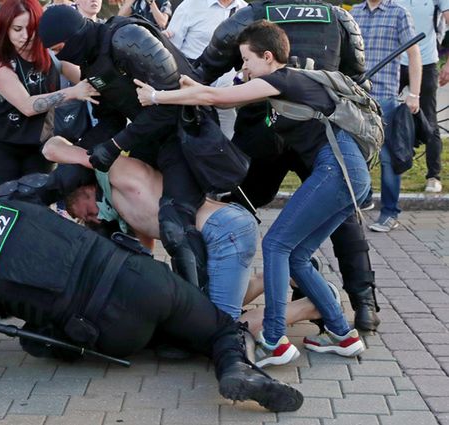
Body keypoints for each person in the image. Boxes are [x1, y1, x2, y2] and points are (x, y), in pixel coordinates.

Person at [0, 179, 305, 413]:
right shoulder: (5, 202)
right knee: (219, 329)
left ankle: (183, 344)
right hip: (138, 278)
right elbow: (54, 182)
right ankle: (237, 368)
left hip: (107, 330)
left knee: (43, 342)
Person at [136, 20, 368, 367]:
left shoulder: (282, 79)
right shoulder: (286, 83)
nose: (243, 67)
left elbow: (216, 97)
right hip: (350, 172)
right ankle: (342, 333)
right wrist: (189, 86)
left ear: (268, 57)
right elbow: (220, 100)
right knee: (297, 255)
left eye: (246, 60)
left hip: (337, 169)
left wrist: (155, 96)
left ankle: (273, 340)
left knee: (276, 245)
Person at [190, 0, 382, 332]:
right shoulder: (336, 17)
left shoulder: (251, 15)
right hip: (312, 135)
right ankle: (363, 302)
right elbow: (355, 82)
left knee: (225, 208)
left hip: (264, 134)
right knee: (343, 219)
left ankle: (216, 295)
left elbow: (203, 71)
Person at [43, 135, 329, 333]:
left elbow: (52, 149)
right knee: (200, 304)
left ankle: (313, 306)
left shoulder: (117, 171)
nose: (94, 219)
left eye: (87, 212)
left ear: (85, 188)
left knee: (220, 330)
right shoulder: (122, 210)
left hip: (222, 230)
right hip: (222, 232)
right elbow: (145, 254)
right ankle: (289, 274)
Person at [38, 5, 208, 291]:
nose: (60, 56)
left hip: (185, 137)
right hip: (147, 140)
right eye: (54, 51)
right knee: (126, 215)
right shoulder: (91, 62)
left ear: (75, 35)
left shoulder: (128, 38)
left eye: (60, 47)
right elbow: (111, 117)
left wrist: (117, 145)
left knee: (175, 226)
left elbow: (173, 103)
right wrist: (85, 151)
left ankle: (201, 308)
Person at [0, 0, 99, 191]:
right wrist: (73, 92)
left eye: (32, 28)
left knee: (37, 200)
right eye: (17, 29)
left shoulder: (50, 53)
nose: (25, 36)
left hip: (39, 143)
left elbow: (84, 78)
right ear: (4, 29)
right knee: (8, 201)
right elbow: (27, 106)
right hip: (1, 143)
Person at [351, 0, 422, 233]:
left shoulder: (399, 13)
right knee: (355, 153)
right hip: (356, 98)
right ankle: (359, 203)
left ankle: (390, 212)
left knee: (388, 158)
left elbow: (413, 53)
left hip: (385, 100)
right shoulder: (355, 13)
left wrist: (414, 93)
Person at [164, 0, 246, 139]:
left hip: (226, 95)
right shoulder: (190, 5)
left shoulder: (246, 10)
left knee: (229, 143)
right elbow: (172, 52)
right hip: (191, 96)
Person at [396, 0, 449, 193]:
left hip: (426, 62)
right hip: (395, 62)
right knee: (382, 114)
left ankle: (433, 176)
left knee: (430, 120)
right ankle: (391, 168)